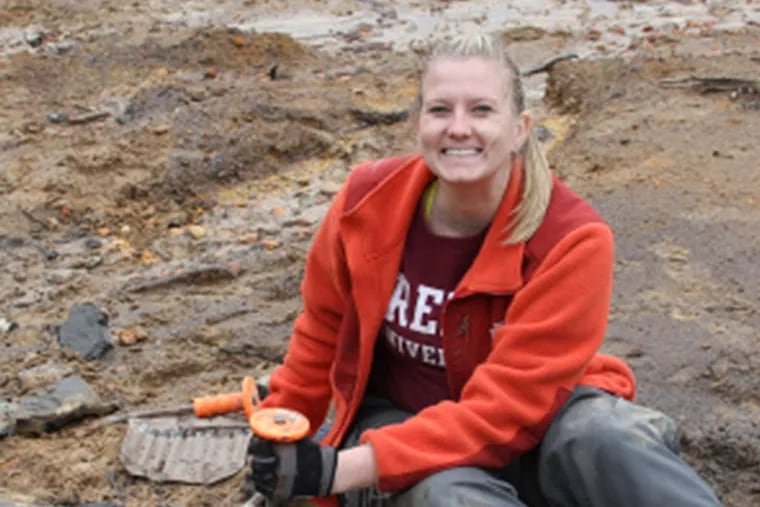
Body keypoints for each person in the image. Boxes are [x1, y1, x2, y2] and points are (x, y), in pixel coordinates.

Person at [244, 31, 722, 507]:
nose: (458, 128)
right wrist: (281, 438)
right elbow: (320, 335)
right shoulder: (364, 203)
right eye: (439, 110)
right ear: (418, 123)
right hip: (401, 423)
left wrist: (335, 471)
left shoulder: (573, 240)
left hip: (538, 425)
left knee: (608, 438)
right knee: (445, 492)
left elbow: (505, 409)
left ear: (520, 128)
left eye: (482, 110)